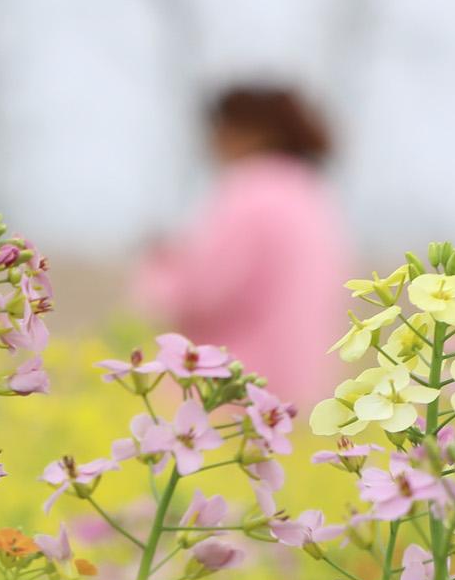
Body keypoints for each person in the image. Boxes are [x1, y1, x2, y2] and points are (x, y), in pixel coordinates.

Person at [133, 83, 350, 409]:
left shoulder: (248, 193)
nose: (211, 142)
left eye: (220, 128)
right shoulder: (311, 195)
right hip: (295, 398)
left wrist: (161, 266)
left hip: (225, 396)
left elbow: (201, 295)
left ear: (252, 131)